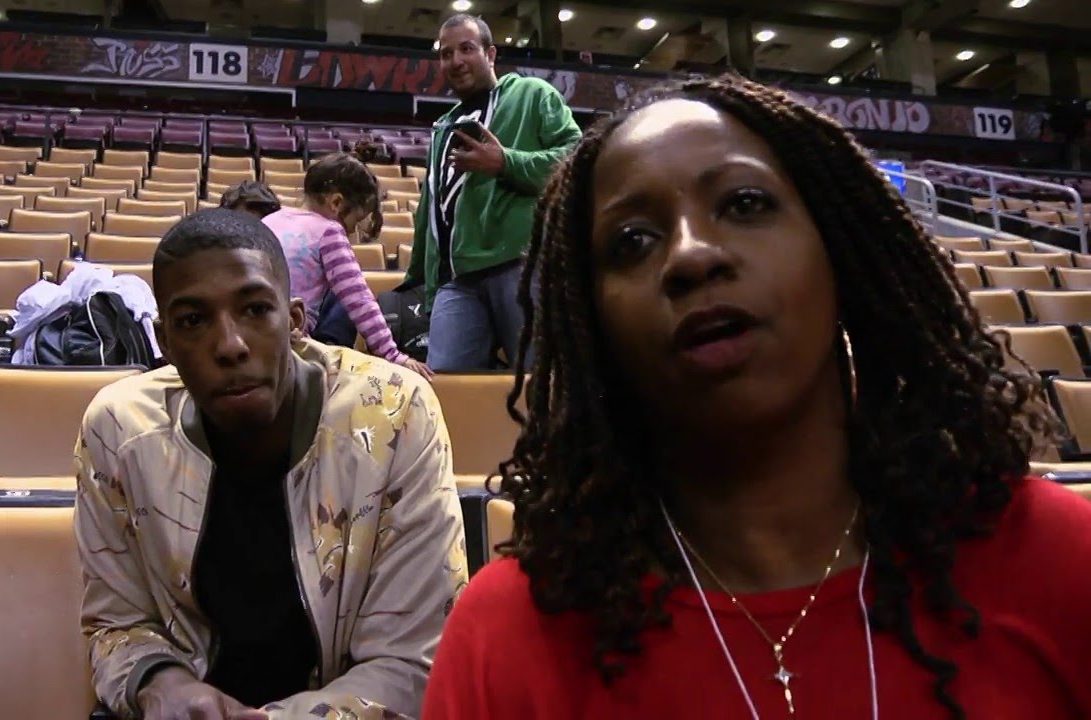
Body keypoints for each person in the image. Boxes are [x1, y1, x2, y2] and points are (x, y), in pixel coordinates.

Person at [422, 76, 1091, 718]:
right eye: (631, 242)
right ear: (591, 318)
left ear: (838, 248)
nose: (691, 256)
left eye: (745, 204)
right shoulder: (503, 636)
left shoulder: (1058, 560)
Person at [75, 209, 467, 720]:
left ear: (297, 322)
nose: (230, 345)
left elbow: (416, 660)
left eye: (256, 310)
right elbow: (116, 623)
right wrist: (159, 681)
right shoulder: (119, 428)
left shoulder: (393, 412)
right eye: (193, 321)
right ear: (165, 342)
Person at [404, 14, 581, 372]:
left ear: (491, 54)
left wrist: (506, 163)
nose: (455, 61)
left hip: (522, 268)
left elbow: (577, 161)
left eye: (466, 49)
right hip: (457, 281)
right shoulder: (442, 128)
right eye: (446, 53)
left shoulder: (532, 95)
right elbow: (433, 214)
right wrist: (424, 283)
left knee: (540, 384)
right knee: (446, 387)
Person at [262, 153, 431, 379]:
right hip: (289, 346)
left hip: (254, 333)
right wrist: (393, 355)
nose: (351, 232)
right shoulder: (329, 231)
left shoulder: (271, 220)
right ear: (336, 203)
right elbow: (359, 301)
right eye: (353, 222)